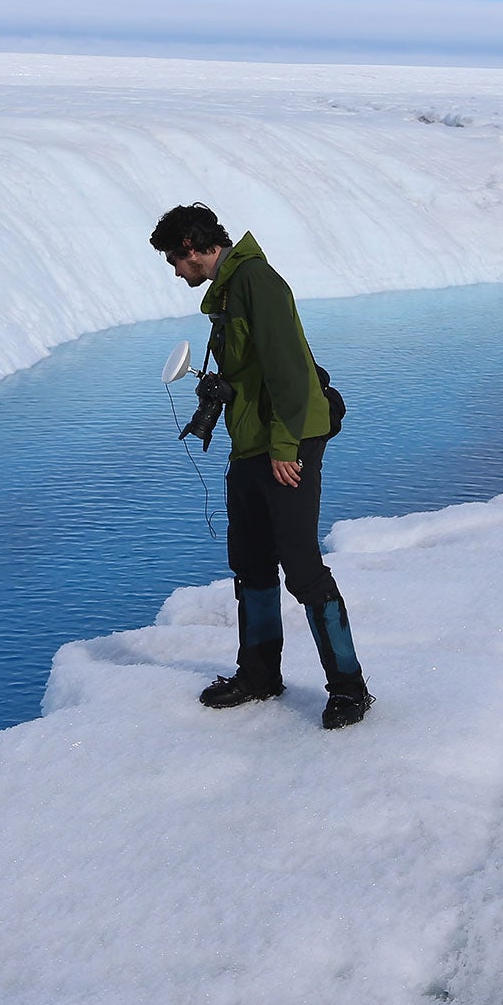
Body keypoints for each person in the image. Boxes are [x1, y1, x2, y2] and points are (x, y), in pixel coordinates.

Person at [150, 202, 374, 730]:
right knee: (249, 559)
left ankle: (349, 688)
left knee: (300, 566)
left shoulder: (257, 281)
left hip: (287, 440)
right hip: (253, 442)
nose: (175, 271)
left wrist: (284, 447)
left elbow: (290, 371)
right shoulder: (229, 289)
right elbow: (254, 367)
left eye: (173, 261)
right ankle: (258, 675)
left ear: (192, 248)